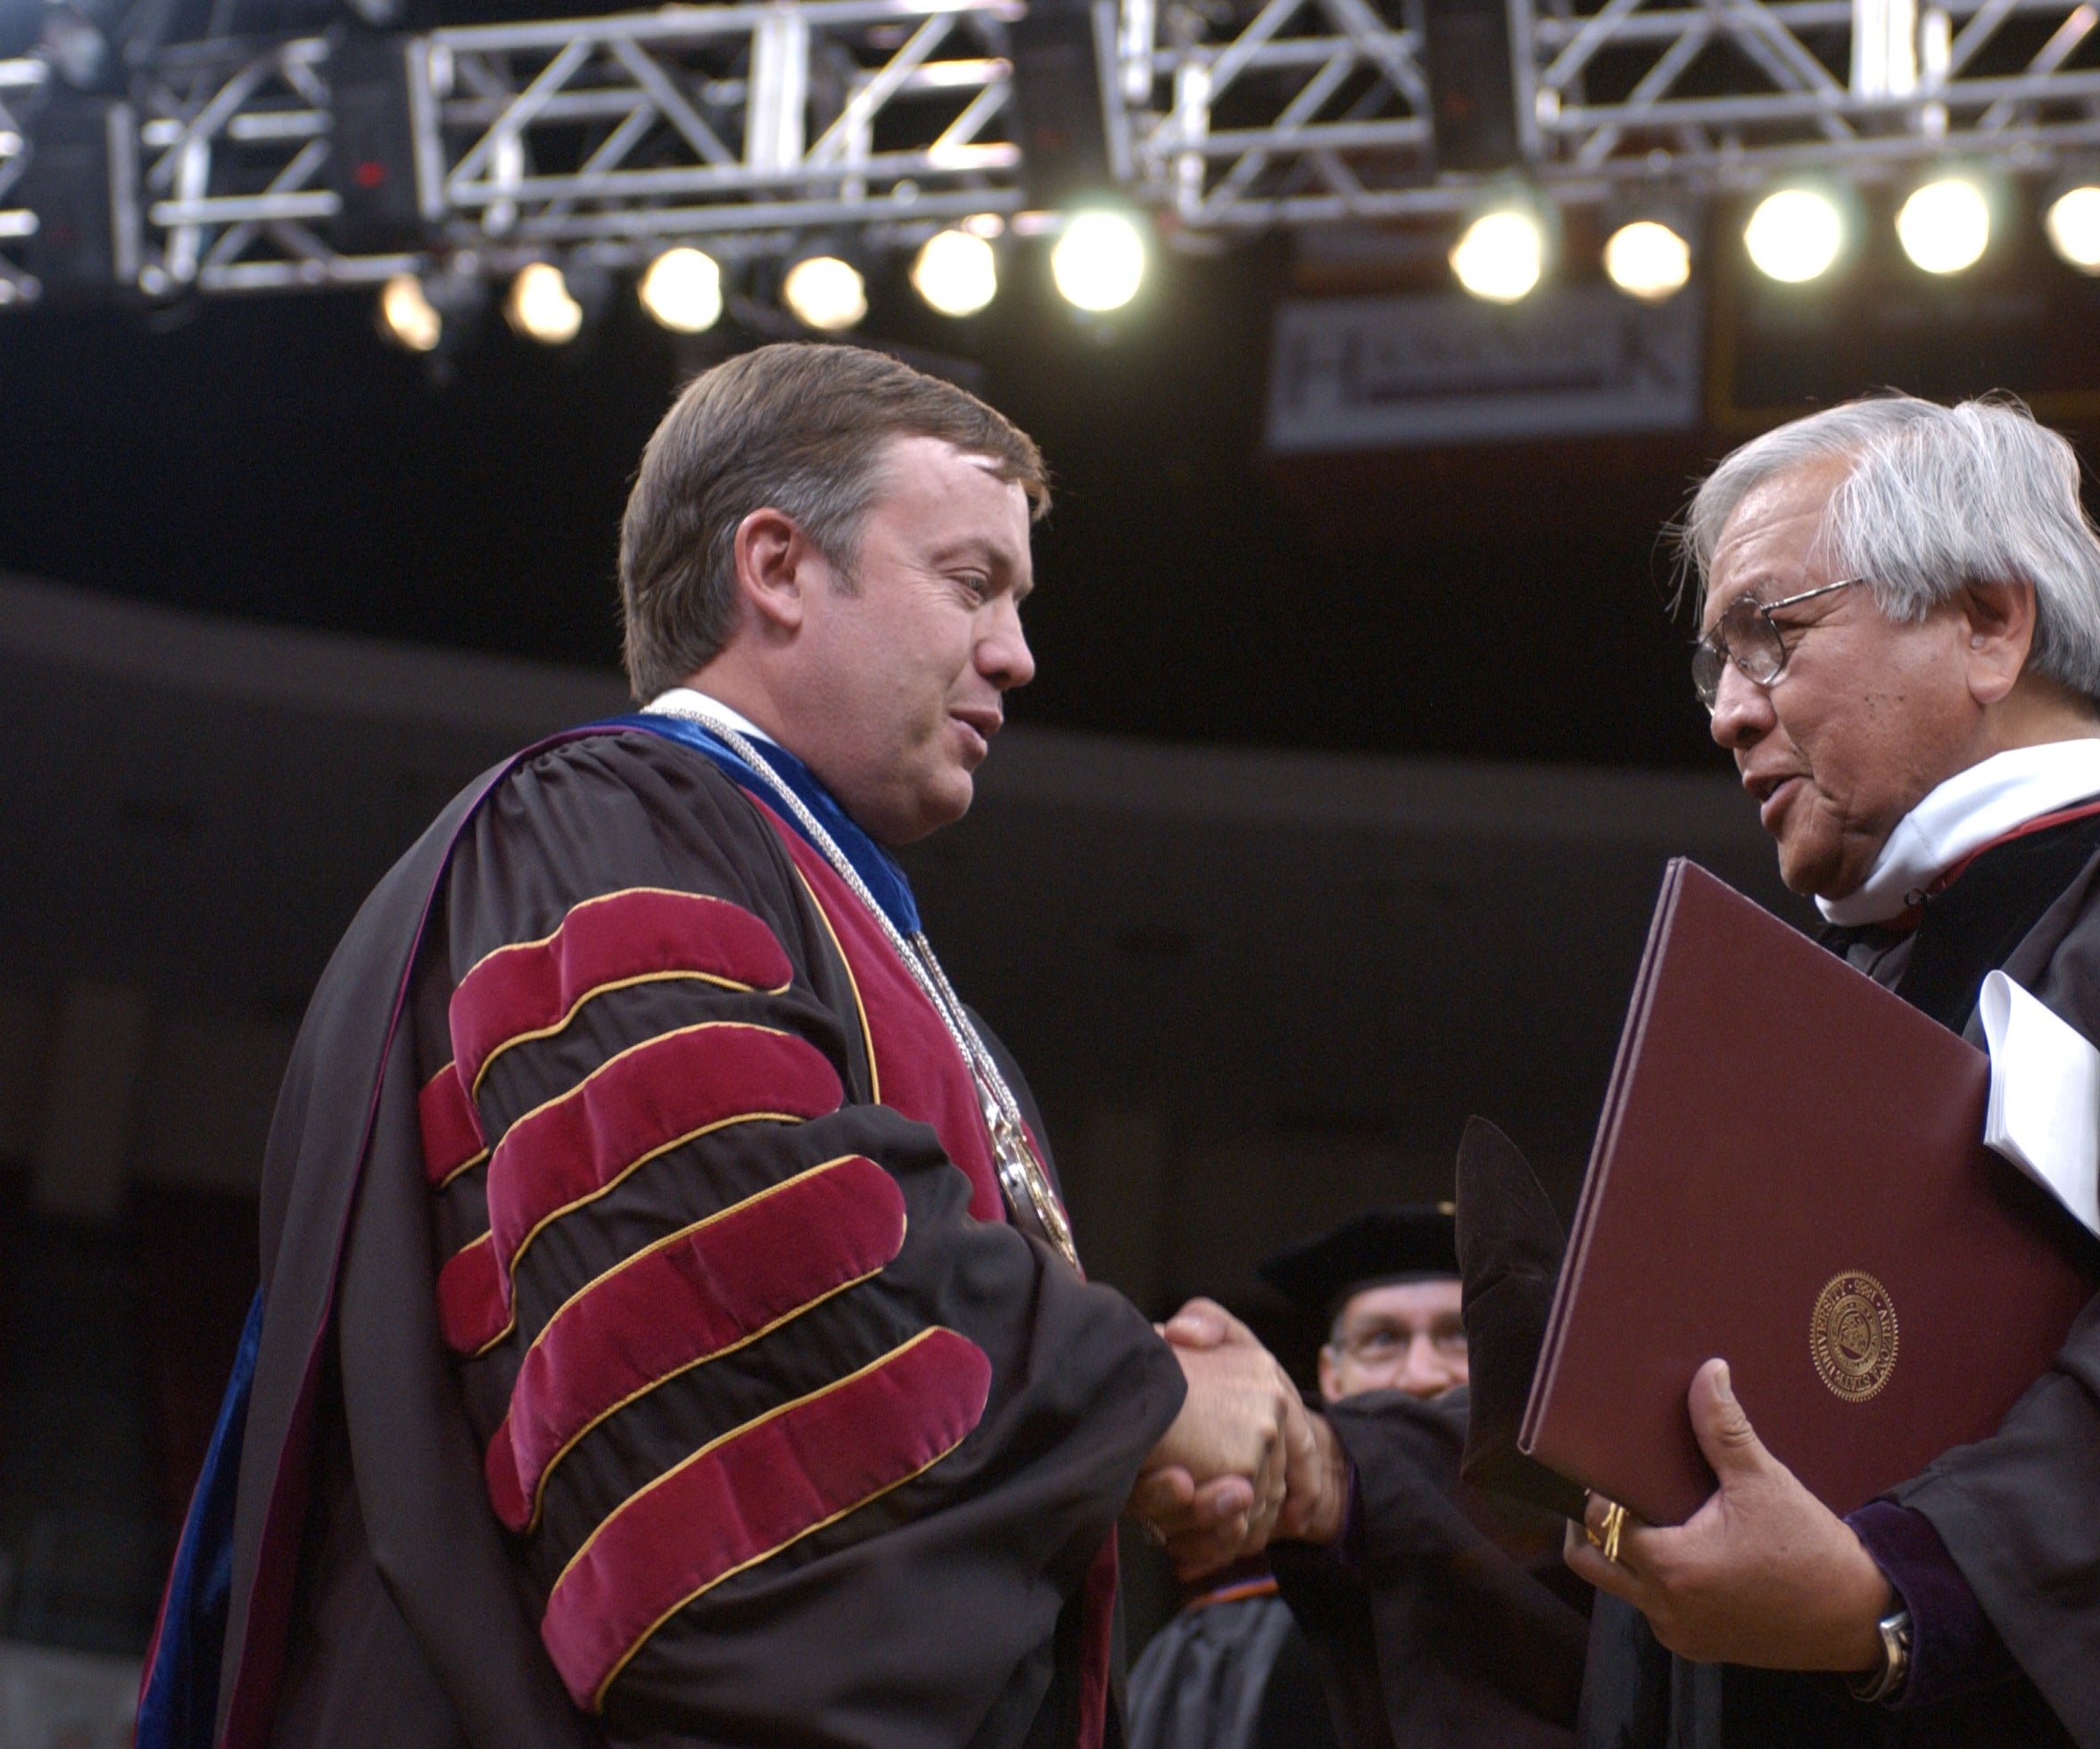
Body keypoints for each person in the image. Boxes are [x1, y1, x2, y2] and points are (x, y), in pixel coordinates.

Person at [1271, 393, 2100, 1747]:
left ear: (1990, 624)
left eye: (1773, 634)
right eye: (1712, 665)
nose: (1728, 716)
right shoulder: (1841, 1001)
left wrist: (1900, 1589)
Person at [135, 343, 1310, 1749]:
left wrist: (1134, 1425)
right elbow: (749, 1262)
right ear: (777, 567)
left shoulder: (843, 923)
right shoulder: (598, 830)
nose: (1016, 652)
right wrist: (1148, 1395)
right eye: (970, 583)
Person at [1125, 1205, 1470, 1749]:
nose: (1423, 1375)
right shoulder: (1220, 1656)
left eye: (1458, 1336)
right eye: (1383, 1340)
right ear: (1330, 1376)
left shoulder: (1592, 1612)